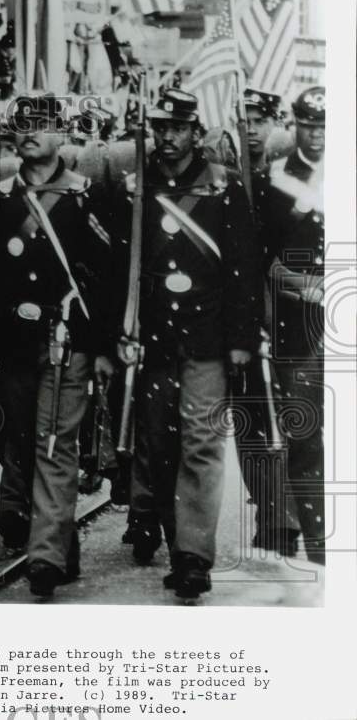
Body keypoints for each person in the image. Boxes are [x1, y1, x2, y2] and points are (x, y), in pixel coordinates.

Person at [117, 88, 262, 599]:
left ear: (197, 133)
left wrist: (242, 338)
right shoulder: (138, 184)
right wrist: (125, 330)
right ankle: (178, 538)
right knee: (159, 445)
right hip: (155, 337)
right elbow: (124, 269)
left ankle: (194, 557)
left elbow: (243, 269)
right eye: (161, 127)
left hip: (207, 335)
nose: (168, 137)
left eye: (178, 128)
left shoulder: (223, 187)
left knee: (201, 443)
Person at [0, 94, 115, 597]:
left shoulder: (85, 196)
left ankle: (44, 557)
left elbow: (105, 279)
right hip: (16, 344)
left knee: (55, 446)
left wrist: (101, 344)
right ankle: (63, 546)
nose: (30, 133)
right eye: (22, 125)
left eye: (42, 125)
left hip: (67, 340)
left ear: (63, 135)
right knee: (19, 440)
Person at [230, 88, 302, 556]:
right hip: (240, 308)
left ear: (276, 122)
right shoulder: (229, 178)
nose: (252, 128)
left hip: (289, 311)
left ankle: (287, 513)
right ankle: (267, 506)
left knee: (289, 412)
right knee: (249, 413)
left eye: (260, 120)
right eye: (245, 119)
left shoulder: (288, 177)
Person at [255, 86, 326, 564]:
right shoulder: (278, 181)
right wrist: (308, 286)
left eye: (324, 125)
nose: (318, 134)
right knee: (304, 430)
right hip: (301, 326)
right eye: (308, 124)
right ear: (295, 126)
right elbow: (264, 261)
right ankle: (314, 536)